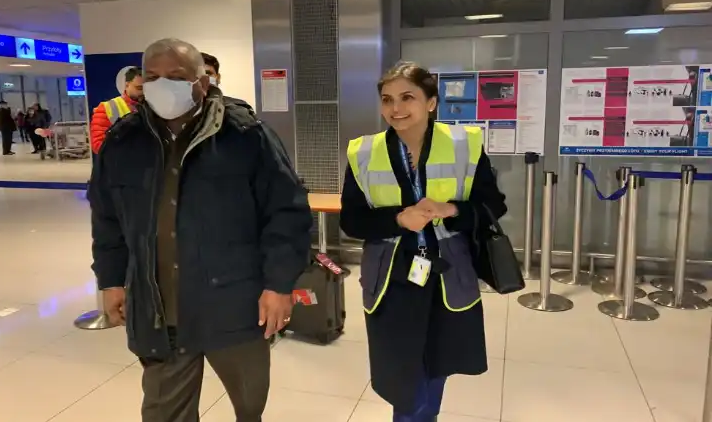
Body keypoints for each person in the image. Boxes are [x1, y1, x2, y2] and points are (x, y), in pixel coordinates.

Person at [89, 38, 312, 422]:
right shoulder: (124, 141)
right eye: (153, 77)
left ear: (202, 82)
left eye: (176, 76)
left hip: (236, 308)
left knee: (249, 407)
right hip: (160, 312)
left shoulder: (245, 136)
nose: (163, 85)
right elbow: (107, 218)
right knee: (163, 413)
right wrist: (111, 280)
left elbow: (287, 213)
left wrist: (278, 285)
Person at [340, 62, 507, 422]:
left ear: (431, 102)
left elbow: (493, 205)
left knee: (437, 363)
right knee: (402, 371)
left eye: (407, 97)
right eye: (387, 100)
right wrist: (398, 219)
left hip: (448, 273)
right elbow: (351, 220)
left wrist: (450, 209)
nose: (395, 109)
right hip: (392, 276)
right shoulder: (363, 153)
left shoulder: (465, 144)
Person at [89, 66, 143, 153]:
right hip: (123, 164)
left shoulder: (152, 107)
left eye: (146, 89)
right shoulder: (106, 108)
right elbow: (98, 145)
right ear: (127, 85)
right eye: (139, 88)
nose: (143, 92)